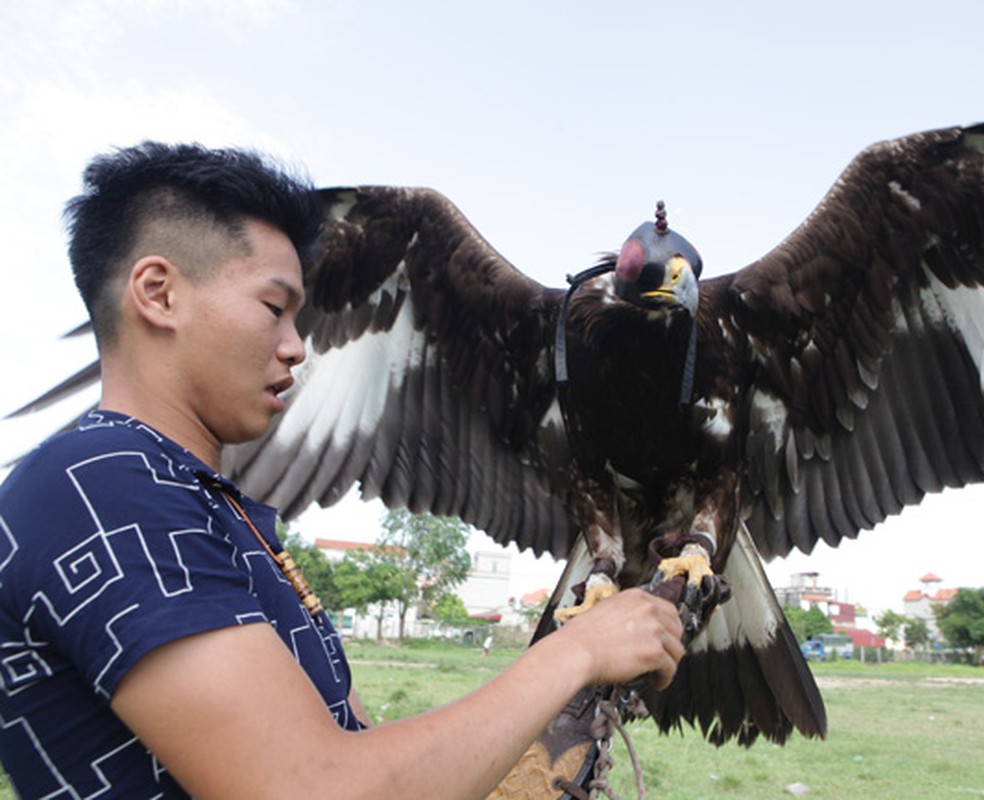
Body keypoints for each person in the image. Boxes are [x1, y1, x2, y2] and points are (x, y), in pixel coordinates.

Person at [0, 142, 685, 798]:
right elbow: (315, 791)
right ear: (157, 293)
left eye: (301, 317)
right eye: (274, 309)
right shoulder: (101, 487)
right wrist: (575, 655)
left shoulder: (198, 503)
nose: (298, 348)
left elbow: (339, 750)